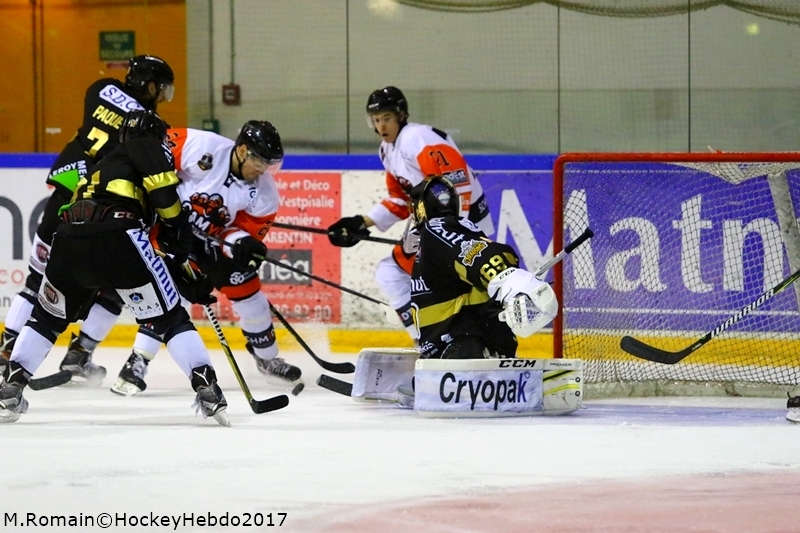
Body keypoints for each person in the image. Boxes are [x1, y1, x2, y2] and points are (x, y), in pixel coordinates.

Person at [0, 110, 230, 426]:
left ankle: (11, 386)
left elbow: (152, 242)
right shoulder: (146, 147)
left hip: (68, 240)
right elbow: (165, 209)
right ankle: (207, 387)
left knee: (46, 320)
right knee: (170, 319)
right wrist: (182, 243)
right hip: (117, 235)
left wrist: (180, 267)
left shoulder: (103, 165)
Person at [0, 55, 176, 385]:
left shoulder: (101, 88)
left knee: (36, 282)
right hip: (101, 206)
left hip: (64, 194)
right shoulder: (148, 124)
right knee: (113, 286)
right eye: (162, 90)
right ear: (151, 87)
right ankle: (81, 353)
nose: (162, 96)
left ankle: (6, 349)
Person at [108, 120, 304, 397]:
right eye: (259, 162)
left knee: (252, 298)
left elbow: (238, 233)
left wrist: (244, 244)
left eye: (268, 165)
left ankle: (268, 359)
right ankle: (137, 362)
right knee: (173, 297)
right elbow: (151, 156)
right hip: (172, 230)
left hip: (212, 241)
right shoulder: (202, 146)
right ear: (242, 150)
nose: (262, 171)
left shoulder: (265, 193)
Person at [326, 86, 493, 343]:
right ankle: (431, 339)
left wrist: (453, 232)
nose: (381, 126)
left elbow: (457, 182)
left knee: (422, 280)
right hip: (437, 224)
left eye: (387, 118)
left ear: (401, 116)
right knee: (395, 274)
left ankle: (439, 340)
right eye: (376, 120)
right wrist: (362, 222)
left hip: (462, 224)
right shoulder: (387, 150)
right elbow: (398, 199)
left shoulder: (417, 137)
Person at [409, 176, 558, 360]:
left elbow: (472, 254)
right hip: (468, 348)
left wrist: (507, 279)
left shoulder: (434, 229)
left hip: (460, 351)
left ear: (420, 209)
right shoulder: (434, 247)